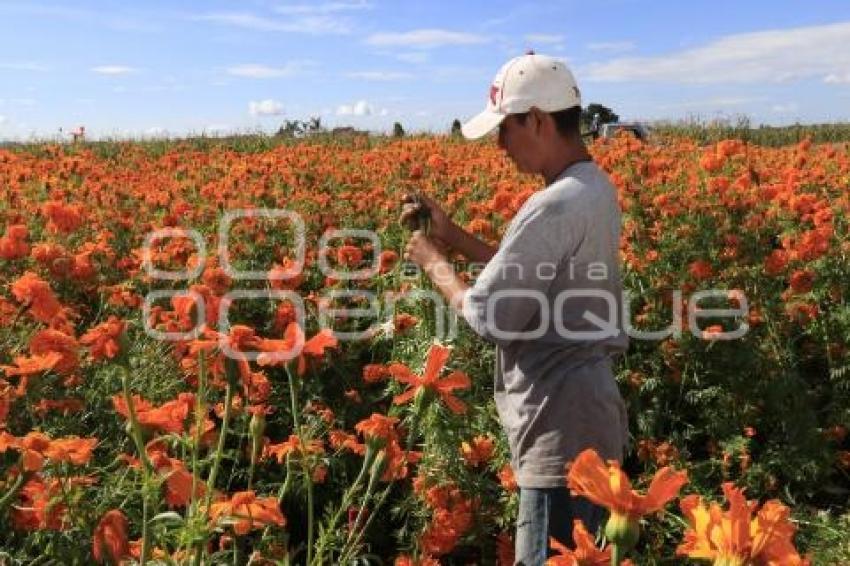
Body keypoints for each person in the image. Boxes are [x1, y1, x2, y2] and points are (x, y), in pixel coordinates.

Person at [400, 52, 629, 565]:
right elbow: (532, 275)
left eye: (506, 129)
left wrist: (434, 262)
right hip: (589, 417)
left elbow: (490, 317)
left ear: (539, 120)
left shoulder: (553, 204)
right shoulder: (593, 186)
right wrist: (454, 236)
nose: (501, 145)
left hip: (558, 428)